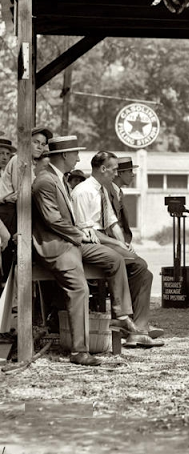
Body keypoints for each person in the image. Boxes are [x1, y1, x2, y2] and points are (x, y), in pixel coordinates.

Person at [32, 136, 139, 366]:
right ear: (63, 156)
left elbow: (64, 220)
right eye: (75, 154)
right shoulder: (45, 181)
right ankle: (79, 351)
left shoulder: (58, 178)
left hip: (71, 241)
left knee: (114, 258)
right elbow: (52, 220)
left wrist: (82, 230)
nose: (79, 158)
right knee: (79, 288)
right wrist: (79, 233)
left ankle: (121, 315)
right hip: (56, 246)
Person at [72, 151, 163, 348]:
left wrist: (125, 245)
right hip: (92, 243)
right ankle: (125, 320)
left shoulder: (103, 190)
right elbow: (87, 231)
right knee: (133, 264)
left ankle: (139, 328)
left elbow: (112, 222)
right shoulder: (82, 192)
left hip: (106, 241)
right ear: (103, 169)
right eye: (113, 169)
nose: (116, 173)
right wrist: (118, 245)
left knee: (144, 272)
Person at [0, 126, 53, 279]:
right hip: (7, 215)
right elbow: (22, 196)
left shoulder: (31, 163)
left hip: (14, 214)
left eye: (43, 144)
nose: (39, 147)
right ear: (26, 142)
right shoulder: (19, 160)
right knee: (8, 267)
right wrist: (22, 228)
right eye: (36, 142)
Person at [108, 157, 137, 245]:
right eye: (130, 171)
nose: (133, 175)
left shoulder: (119, 192)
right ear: (120, 173)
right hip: (112, 242)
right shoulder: (107, 192)